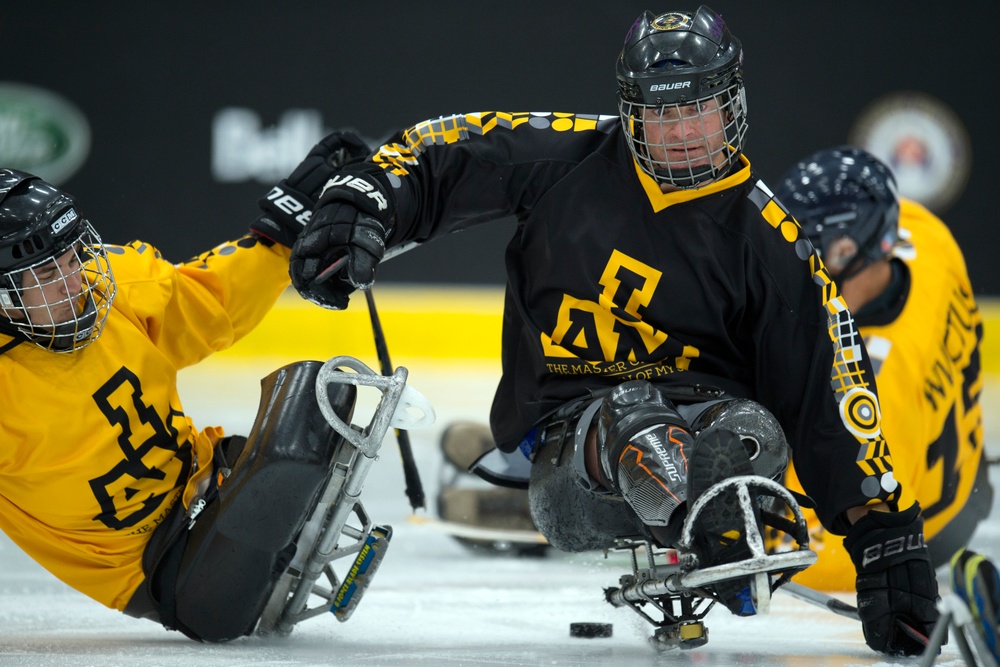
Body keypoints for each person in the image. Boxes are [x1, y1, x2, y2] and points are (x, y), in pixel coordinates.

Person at [288, 6, 939, 655]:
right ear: (632, 113)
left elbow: (831, 396)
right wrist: (369, 195)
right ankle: (703, 515)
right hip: (575, 451)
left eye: (699, 107)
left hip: (718, 429)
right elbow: (449, 153)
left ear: (731, 105)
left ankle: (712, 507)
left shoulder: (774, 245)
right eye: (662, 113)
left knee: (750, 432)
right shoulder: (570, 160)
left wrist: (883, 533)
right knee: (639, 413)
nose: (682, 130)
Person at [0, 129, 370, 642]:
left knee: (324, 393)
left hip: (210, 482)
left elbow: (208, 300)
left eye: (73, 259)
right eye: (48, 274)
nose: (76, 282)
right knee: (299, 429)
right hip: (167, 576)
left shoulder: (110, 290)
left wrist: (288, 228)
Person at [769, 146, 990, 590]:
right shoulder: (928, 238)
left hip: (929, 533)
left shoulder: (872, 386)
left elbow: (828, 560)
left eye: (806, 253)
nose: (794, 271)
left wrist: (730, 535)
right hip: (967, 476)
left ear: (849, 249)